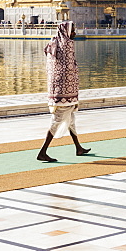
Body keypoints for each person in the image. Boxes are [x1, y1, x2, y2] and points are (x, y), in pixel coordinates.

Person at [37, 21, 91, 162]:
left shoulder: (56, 44)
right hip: (62, 92)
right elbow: (63, 69)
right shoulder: (63, 45)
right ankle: (42, 152)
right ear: (65, 31)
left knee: (71, 120)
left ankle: (78, 148)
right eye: (72, 30)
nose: (74, 33)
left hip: (67, 91)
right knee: (56, 122)